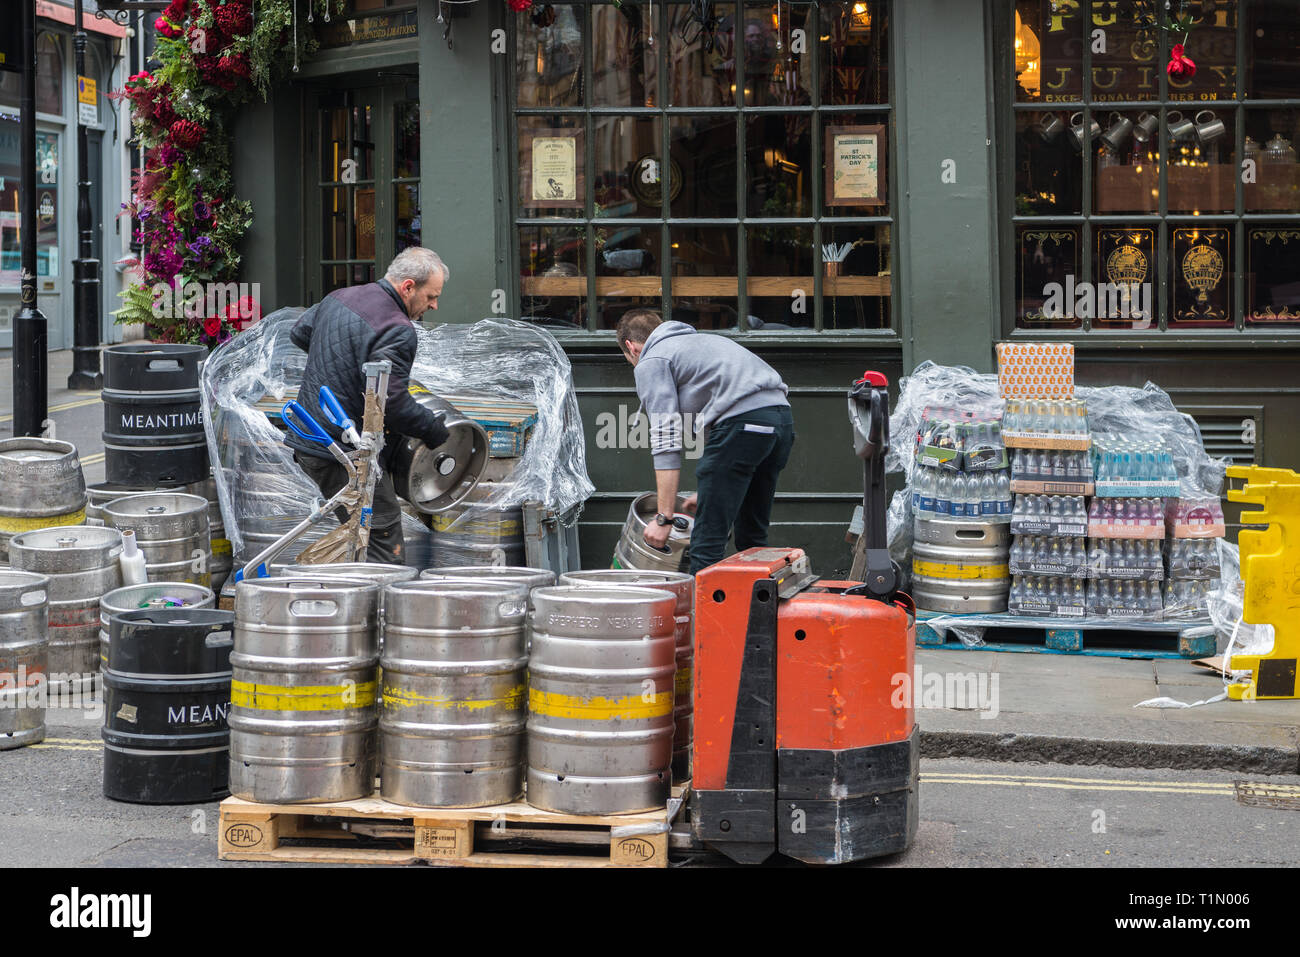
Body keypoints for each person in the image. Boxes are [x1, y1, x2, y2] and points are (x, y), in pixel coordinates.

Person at [286, 247, 452, 564]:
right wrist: (432, 430)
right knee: (382, 543)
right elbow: (393, 403)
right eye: (431, 296)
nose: (434, 305)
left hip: (311, 436)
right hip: (339, 449)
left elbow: (300, 332)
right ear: (408, 287)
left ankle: (347, 597)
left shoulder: (340, 296)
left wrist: (340, 365)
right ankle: (374, 611)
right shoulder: (397, 328)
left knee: (358, 537)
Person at [617, 308, 795, 574]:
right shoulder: (703, 342)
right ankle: (759, 613)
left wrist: (664, 518)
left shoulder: (652, 358)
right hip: (780, 422)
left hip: (742, 427)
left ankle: (700, 616)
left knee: (706, 546)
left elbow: (666, 438)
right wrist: (713, 489)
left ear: (631, 347)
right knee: (752, 538)